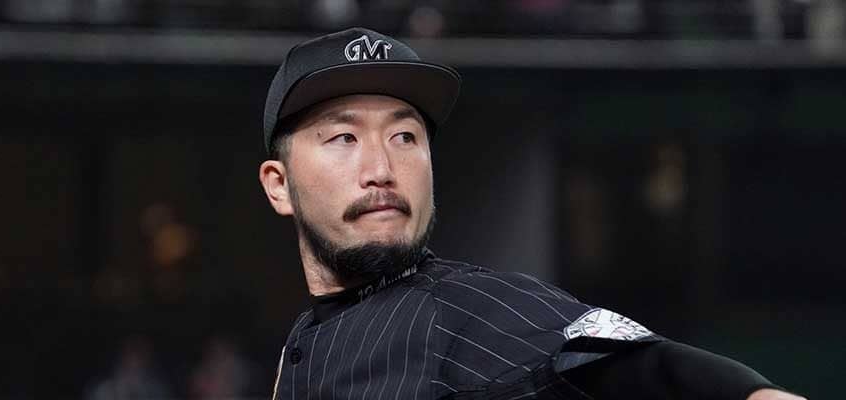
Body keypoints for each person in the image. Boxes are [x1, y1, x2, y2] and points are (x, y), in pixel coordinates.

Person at [257, 27, 805, 400]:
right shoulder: (304, 342)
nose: (381, 167)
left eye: (405, 136)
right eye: (345, 137)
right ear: (279, 186)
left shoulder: (467, 309)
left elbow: (656, 371)